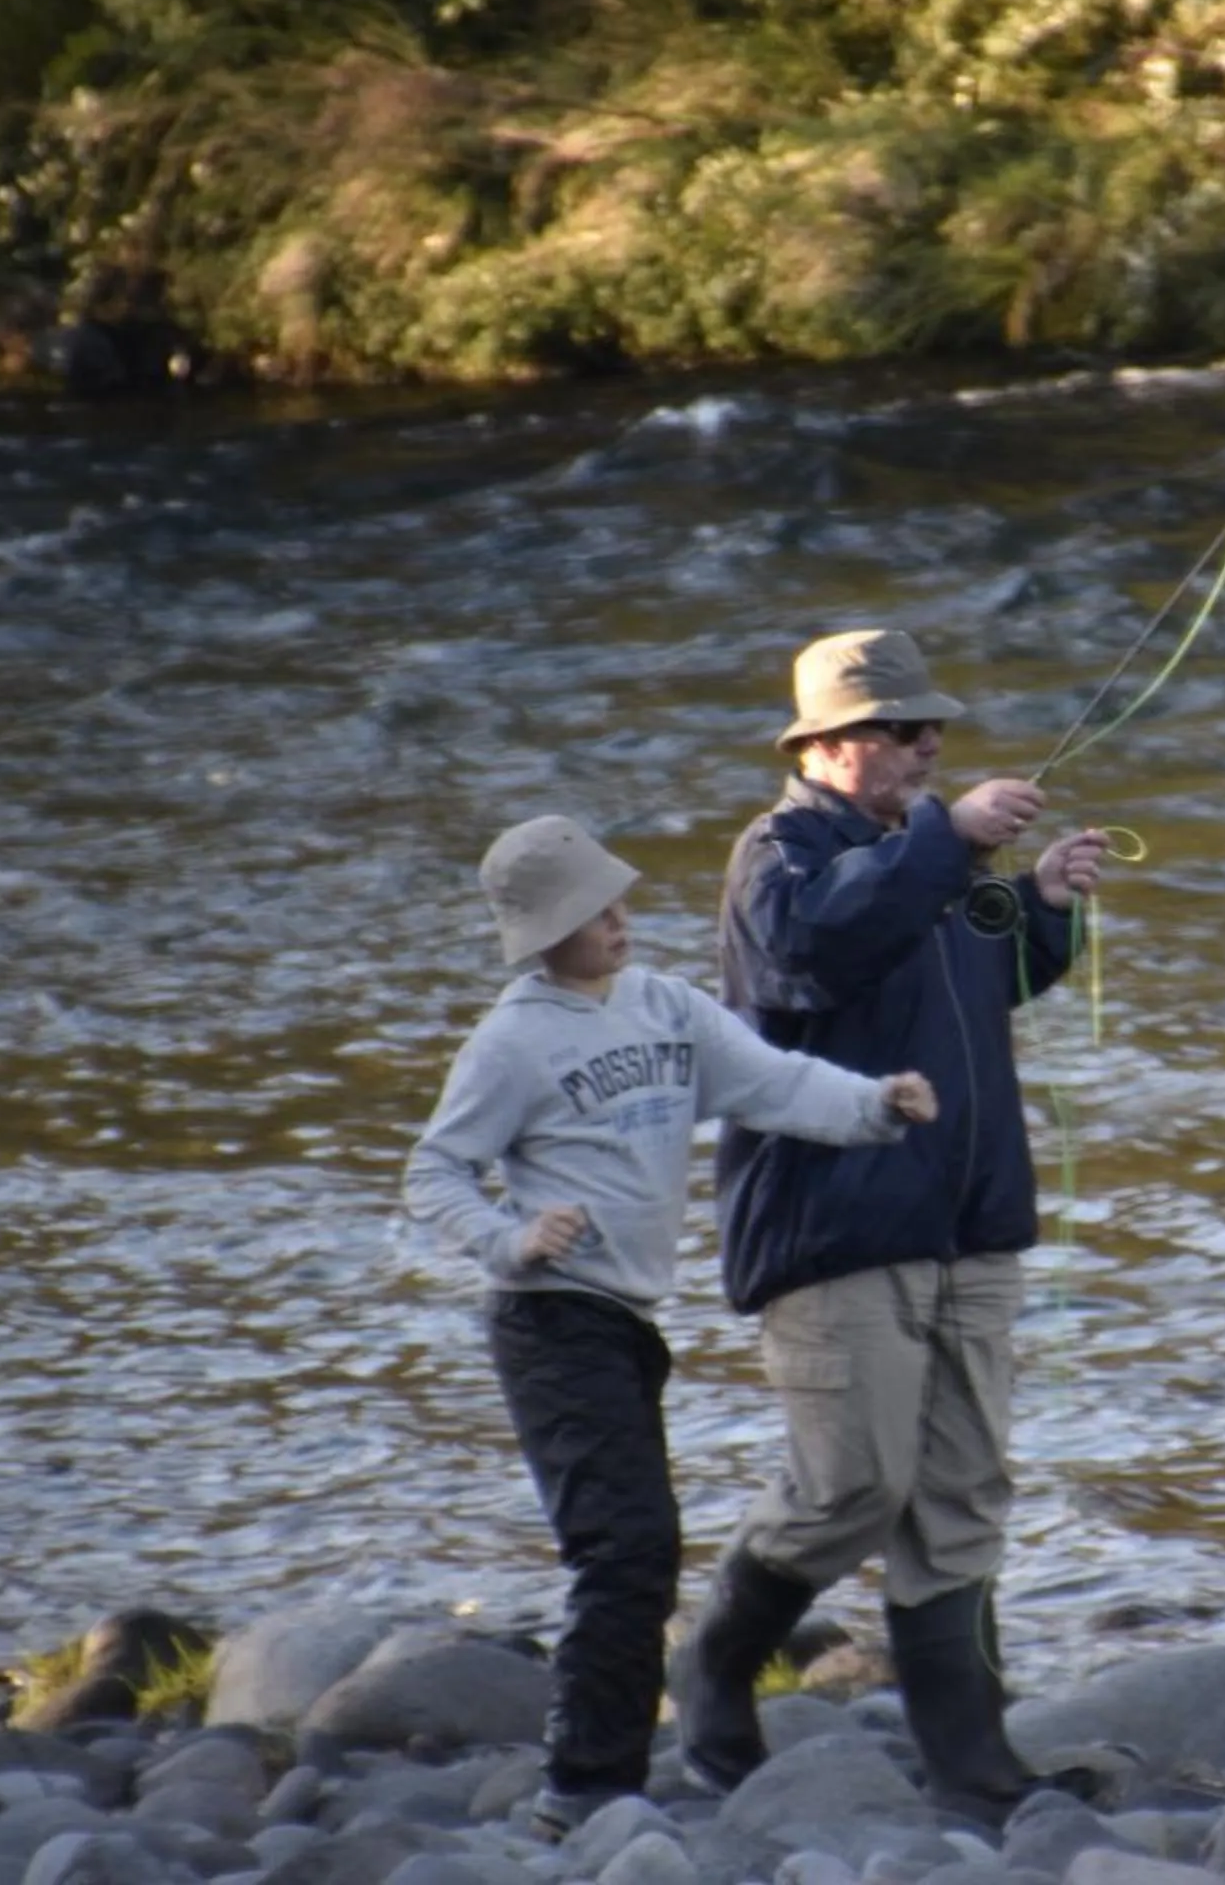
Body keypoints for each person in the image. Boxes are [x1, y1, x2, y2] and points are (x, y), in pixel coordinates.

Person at [404, 814, 940, 1840]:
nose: (616, 918)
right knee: (626, 1548)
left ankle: (602, 1771)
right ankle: (584, 1786)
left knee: (638, 1546)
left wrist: (878, 1103)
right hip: (550, 1319)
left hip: (628, 1322)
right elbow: (432, 1171)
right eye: (590, 910)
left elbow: (773, 1082)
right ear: (540, 933)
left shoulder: (666, 1006)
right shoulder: (512, 1039)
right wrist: (509, 1237)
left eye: (614, 899)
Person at [671, 627, 1109, 1818]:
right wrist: (949, 834)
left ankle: (973, 1762)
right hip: (835, 1224)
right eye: (901, 731)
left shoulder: (925, 854)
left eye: (934, 733)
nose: (925, 748)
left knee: (963, 1492)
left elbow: (976, 974)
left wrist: (1042, 903)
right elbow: (818, 955)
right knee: (853, 1486)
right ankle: (711, 1660)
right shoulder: (781, 855)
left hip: (971, 1220)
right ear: (822, 746)